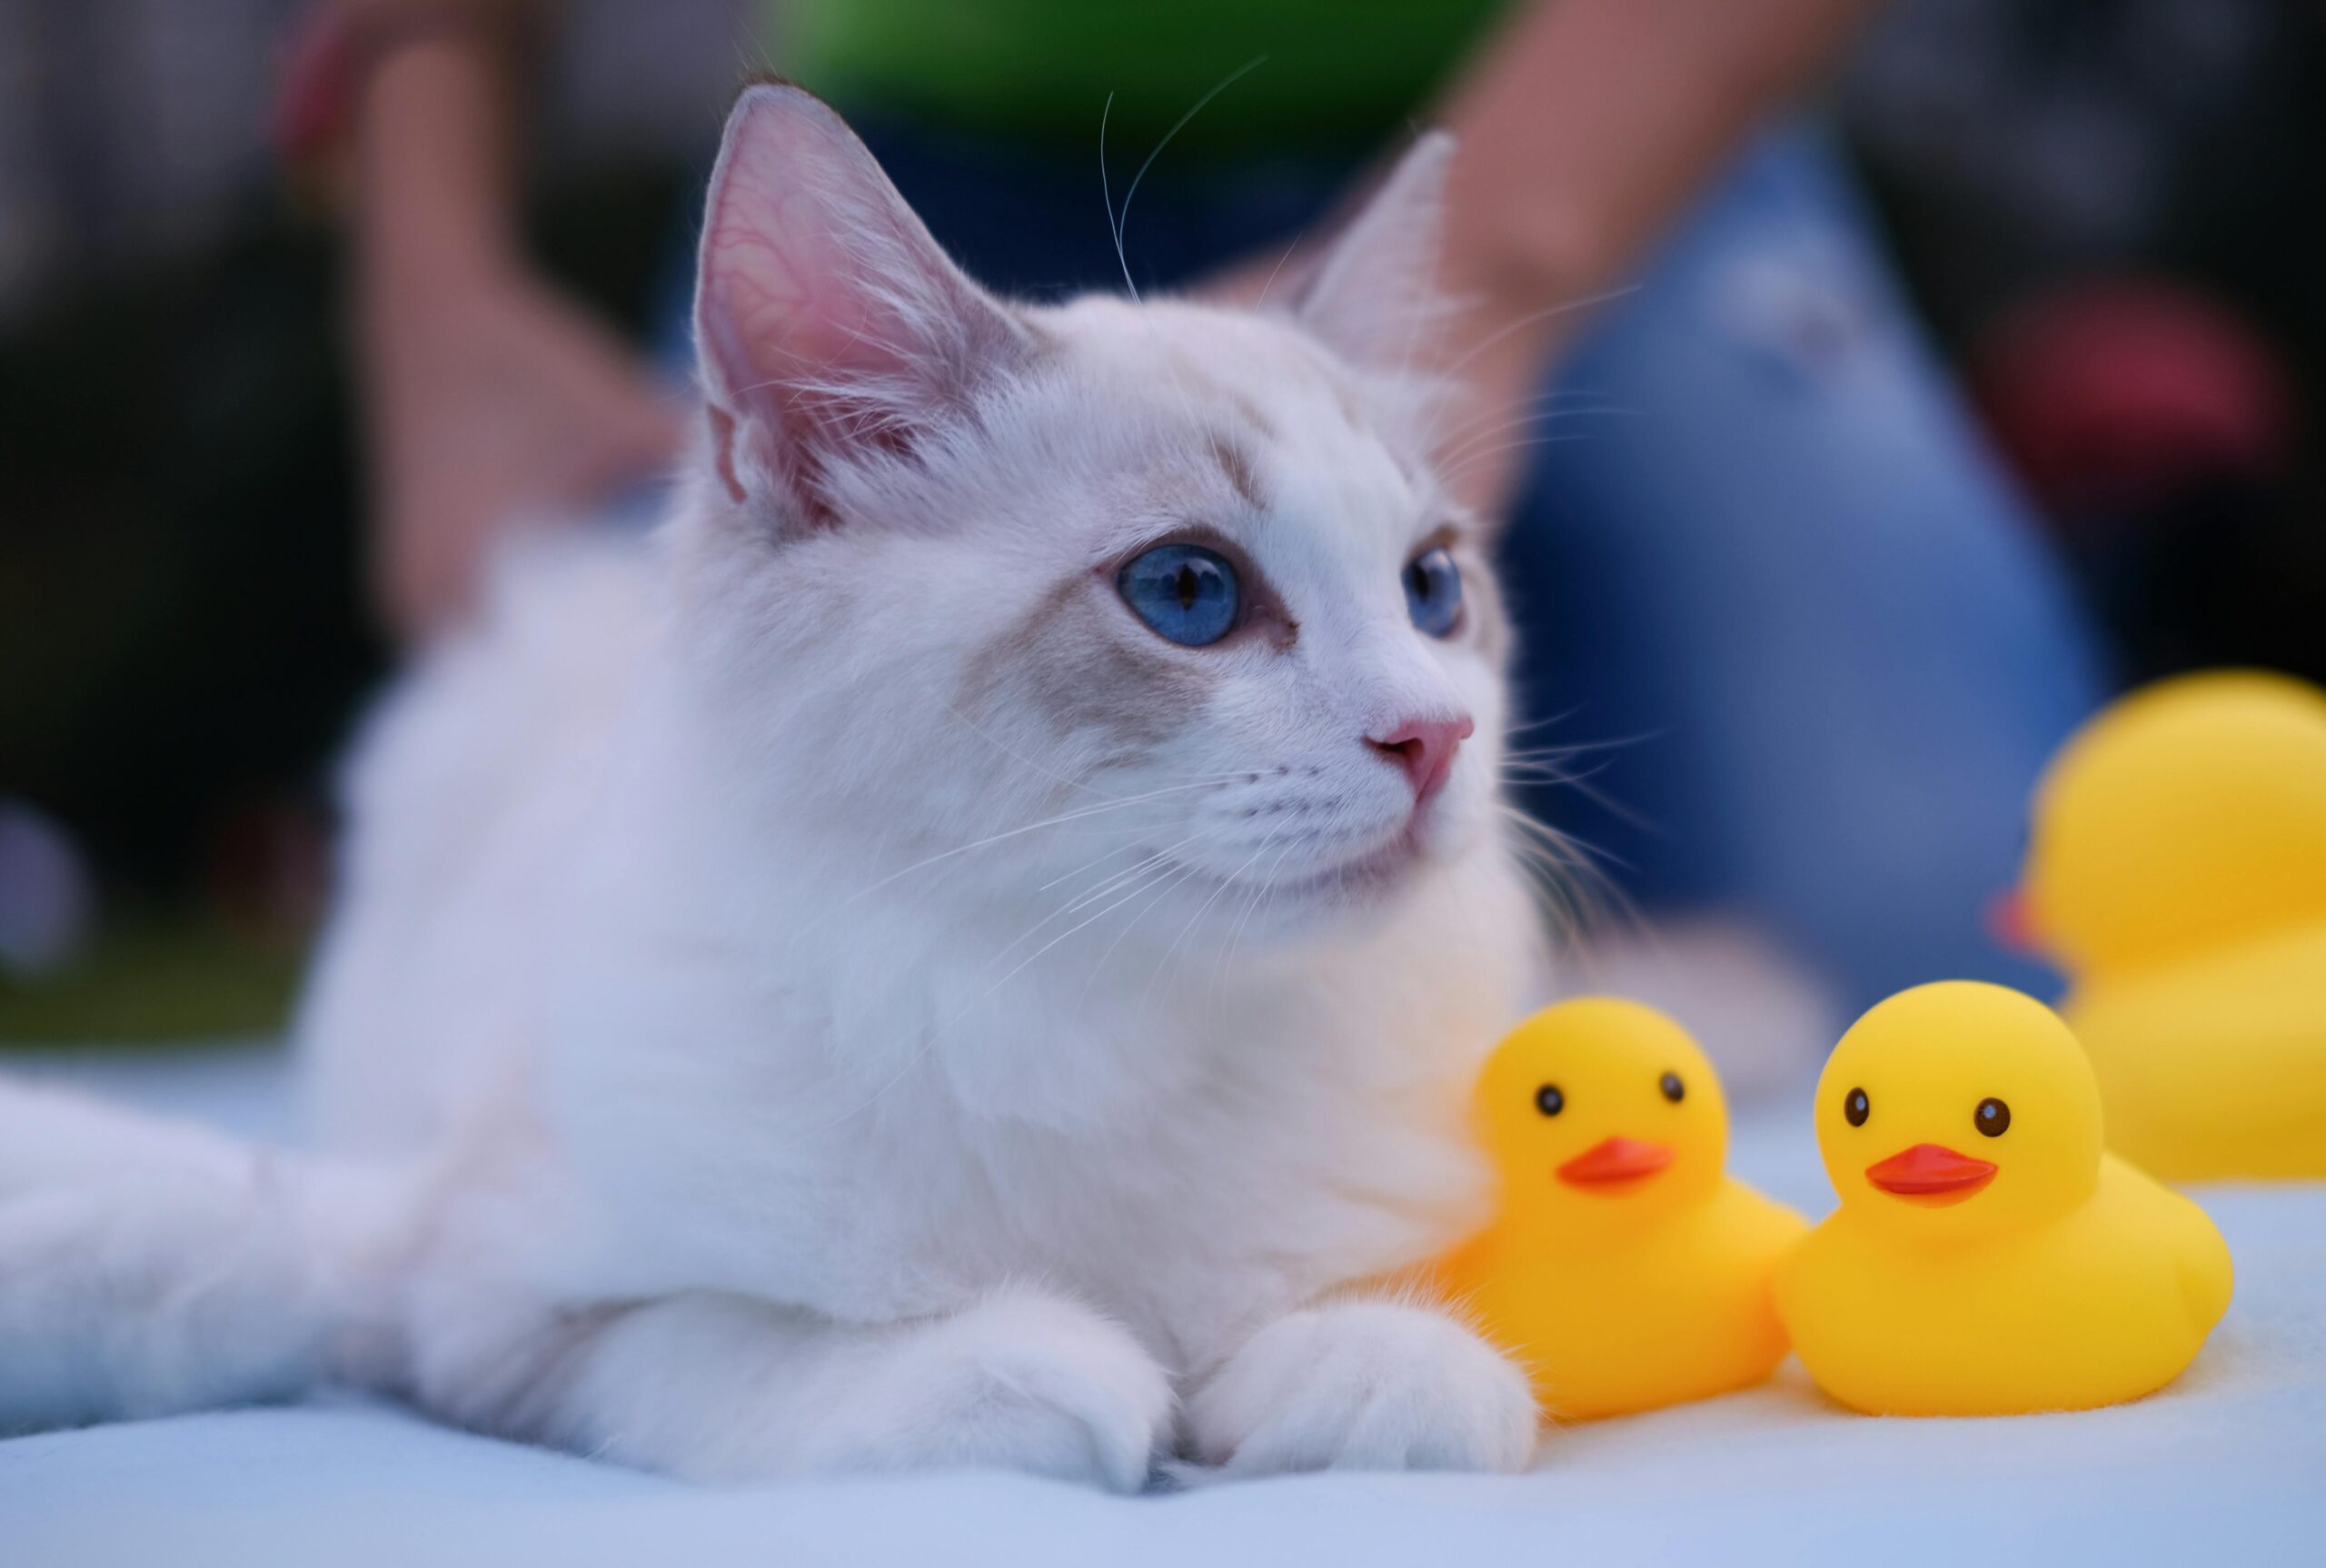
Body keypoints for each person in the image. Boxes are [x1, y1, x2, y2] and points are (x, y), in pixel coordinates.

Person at [285, 0, 2103, 1012]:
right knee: (558, 844)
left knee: (1962, 956)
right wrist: (425, 290)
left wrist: (1491, 263)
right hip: (908, 188)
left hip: (1571, 107)